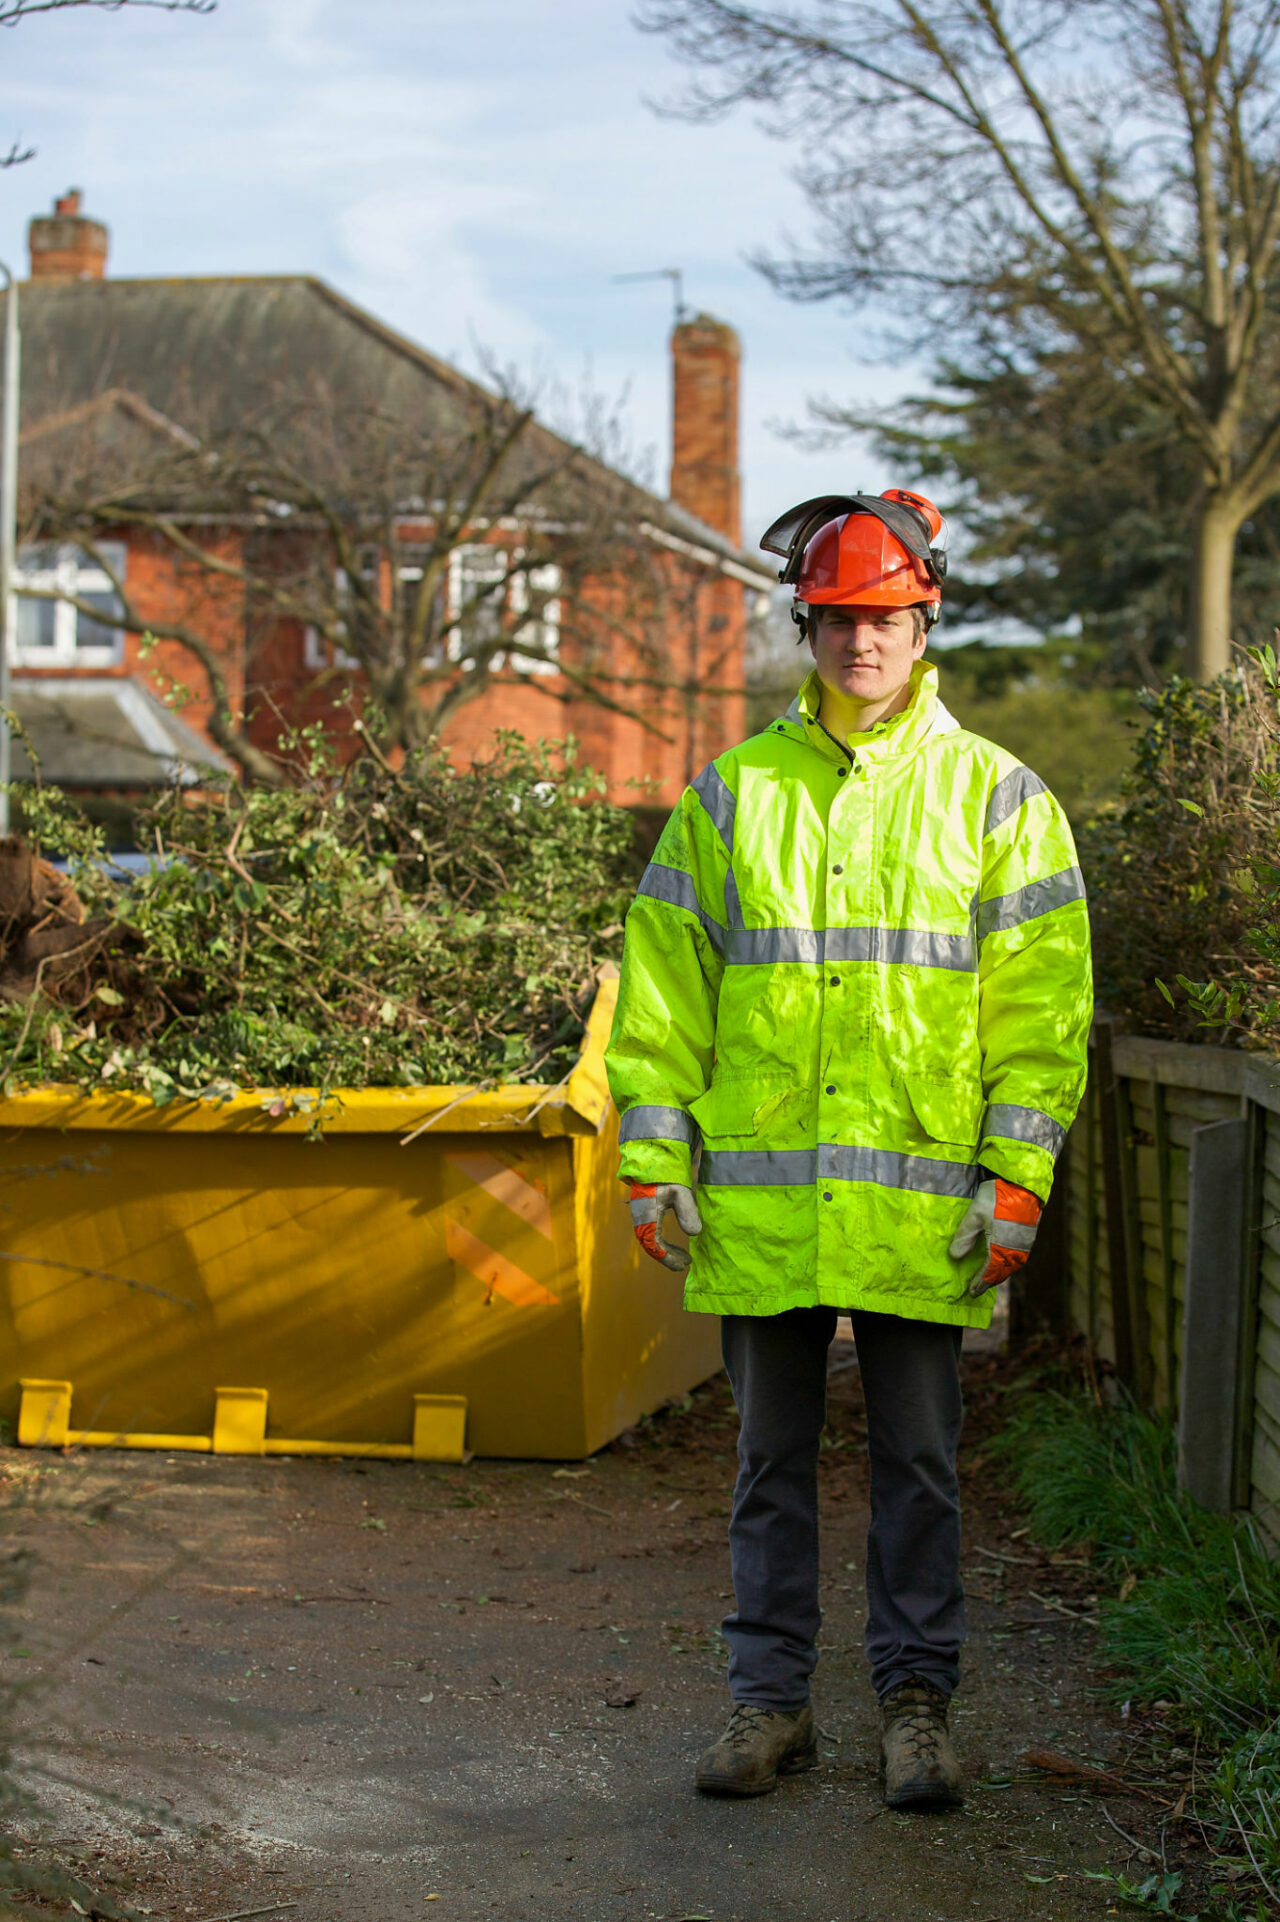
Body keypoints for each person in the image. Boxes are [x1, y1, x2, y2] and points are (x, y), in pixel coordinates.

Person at [604, 488, 1092, 1808]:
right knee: (768, 1463)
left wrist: (1015, 1174)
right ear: (806, 627)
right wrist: (653, 1157)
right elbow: (662, 992)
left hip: (922, 1205)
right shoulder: (730, 801)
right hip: (765, 1209)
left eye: (882, 618)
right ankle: (770, 1706)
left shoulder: (999, 802)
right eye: (835, 619)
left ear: (923, 622)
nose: (859, 641)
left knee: (919, 1466)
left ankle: (917, 1708)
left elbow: (1039, 1017)